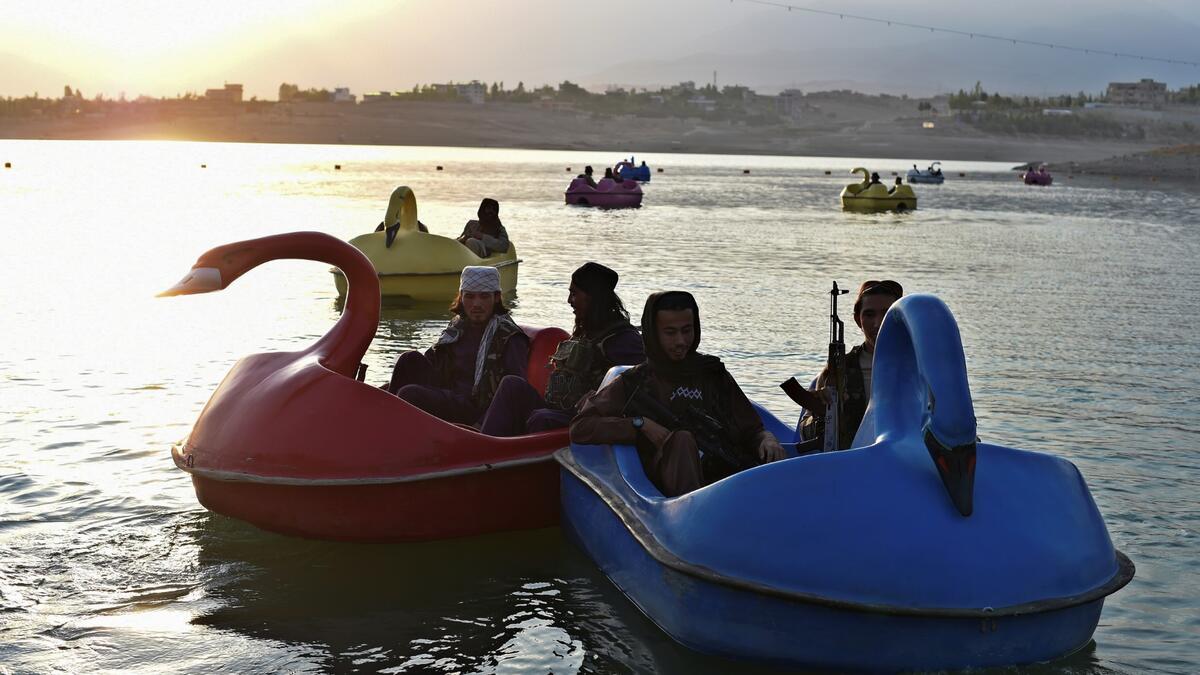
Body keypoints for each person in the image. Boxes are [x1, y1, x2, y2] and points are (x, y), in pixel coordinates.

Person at [570, 291, 786, 497]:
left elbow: (752, 429)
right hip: (673, 502)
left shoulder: (712, 374)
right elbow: (581, 427)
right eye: (670, 333)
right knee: (682, 440)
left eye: (687, 330)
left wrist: (767, 440)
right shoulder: (634, 383)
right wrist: (640, 424)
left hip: (725, 479)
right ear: (653, 333)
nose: (681, 341)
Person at [478, 262, 644, 436]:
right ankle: (484, 446)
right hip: (559, 408)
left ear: (593, 297)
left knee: (541, 418)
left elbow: (639, 386)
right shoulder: (586, 331)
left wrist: (598, 396)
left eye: (574, 293)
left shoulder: (624, 339)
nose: (569, 300)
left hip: (586, 419)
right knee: (511, 384)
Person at [385, 266, 529, 426]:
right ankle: (382, 418)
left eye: (484, 296)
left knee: (409, 394)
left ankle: (390, 426)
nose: (476, 304)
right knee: (408, 359)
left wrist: (482, 428)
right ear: (461, 297)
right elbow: (433, 360)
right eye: (470, 296)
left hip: (476, 407)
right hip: (449, 391)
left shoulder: (509, 337)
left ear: (496, 297)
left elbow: (515, 390)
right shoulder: (457, 327)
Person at [799, 280, 904, 449]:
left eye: (887, 313)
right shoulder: (838, 370)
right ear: (857, 320)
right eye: (869, 315)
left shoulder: (919, 365)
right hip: (851, 464)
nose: (878, 323)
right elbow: (805, 435)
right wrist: (822, 412)